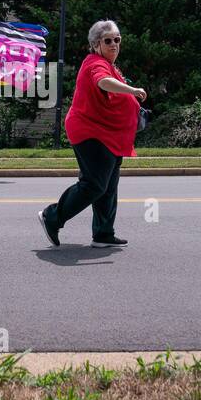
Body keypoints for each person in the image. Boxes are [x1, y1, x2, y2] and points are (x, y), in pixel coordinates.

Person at [39, 20, 144, 248]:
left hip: (109, 134)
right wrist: (132, 90)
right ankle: (52, 216)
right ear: (96, 44)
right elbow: (103, 83)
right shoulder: (95, 64)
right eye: (108, 40)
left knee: (109, 184)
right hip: (89, 132)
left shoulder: (109, 65)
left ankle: (103, 233)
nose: (114, 44)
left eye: (117, 39)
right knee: (95, 184)